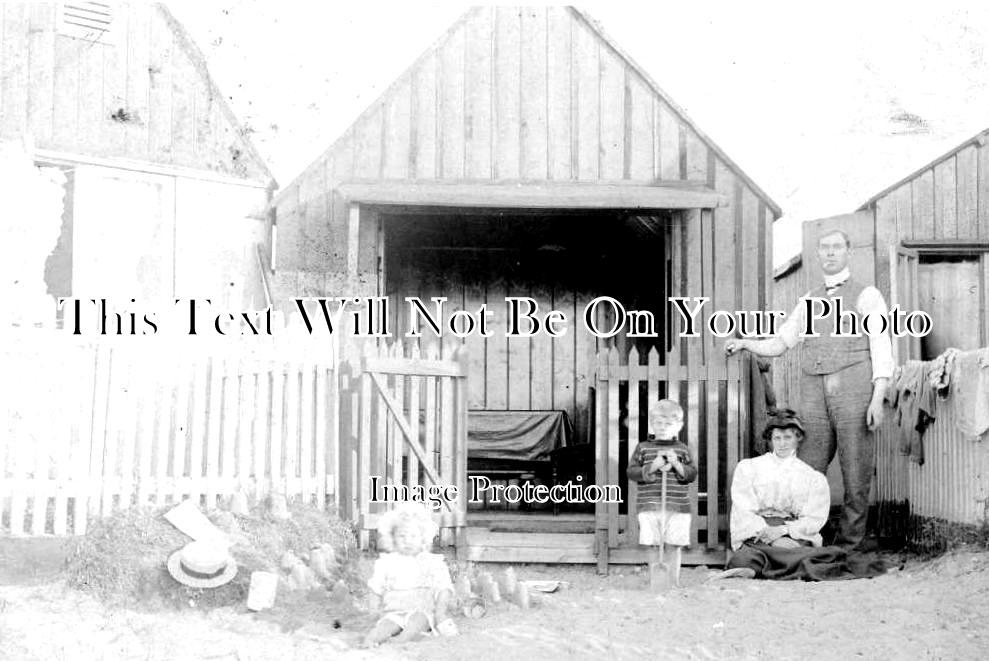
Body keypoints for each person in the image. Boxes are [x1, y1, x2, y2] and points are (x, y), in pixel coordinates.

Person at [725, 229, 893, 550]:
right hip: (814, 389)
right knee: (807, 466)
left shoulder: (867, 295)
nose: (830, 253)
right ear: (818, 254)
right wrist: (746, 343)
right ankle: (803, 538)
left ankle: (849, 544)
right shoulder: (808, 301)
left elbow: (881, 345)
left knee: (855, 467)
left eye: (836, 247)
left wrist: (877, 397)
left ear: (847, 251)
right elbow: (781, 343)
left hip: (854, 386)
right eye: (825, 247)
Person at [716, 411, 888, 581]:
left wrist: (783, 532)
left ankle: (759, 568)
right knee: (747, 556)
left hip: (793, 533)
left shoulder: (811, 477)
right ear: (770, 440)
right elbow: (743, 510)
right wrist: (771, 538)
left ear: (798, 438)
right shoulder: (749, 468)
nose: (782, 444)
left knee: (791, 552)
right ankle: (783, 564)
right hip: (760, 533)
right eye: (777, 438)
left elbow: (813, 519)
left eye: (788, 437)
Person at [626, 399, 697, 588]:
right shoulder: (643, 448)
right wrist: (653, 466)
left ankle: (673, 581)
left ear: (679, 426)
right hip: (650, 506)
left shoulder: (682, 449)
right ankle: (655, 580)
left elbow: (691, 474)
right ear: (652, 424)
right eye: (659, 423)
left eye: (669, 423)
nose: (663, 427)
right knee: (652, 544)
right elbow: (631, 472)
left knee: (674, 544)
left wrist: (676, 464)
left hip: (678, 507)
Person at [363, 504, 458, 647]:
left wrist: (440, 613)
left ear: (423, 538)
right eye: (402, 536)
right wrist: (374, 610)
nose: (407, 541)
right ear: (393, 538)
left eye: (413, 536)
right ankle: (371, 640)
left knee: (417, 623)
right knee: (385, 626)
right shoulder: (386, 562)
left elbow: (444, 587)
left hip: (422, 611)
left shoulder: (431, 562)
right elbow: (376, 588)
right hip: (393, 612)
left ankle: (400, 640)